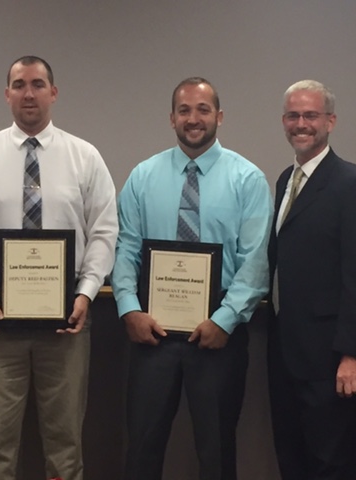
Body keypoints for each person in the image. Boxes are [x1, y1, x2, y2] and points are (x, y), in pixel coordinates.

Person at [0, 55, 118, 480]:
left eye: (38, 84)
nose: (28, 93)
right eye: (19, 84)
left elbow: (104, 231)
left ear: (53, 93)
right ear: (6, 94)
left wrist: (87, 291)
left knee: (65, 445)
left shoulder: (85, 157)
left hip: (67, 322)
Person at [111, 77, 272, 480]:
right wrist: (129, 308)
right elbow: (126, 249)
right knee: (142, 447)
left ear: (219, 116)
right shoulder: (142, 177)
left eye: (202, 110)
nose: (193, 119)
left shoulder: (247, 179)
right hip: (153, 329)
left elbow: (255, 261)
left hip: (219, 330)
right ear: (171, 118)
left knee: (217, 451)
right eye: (184, 110)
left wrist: (225, 320)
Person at [267, 80, 356, 480]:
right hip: (286, 351)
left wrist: (351, 355)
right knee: (292, 456)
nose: (300, 124)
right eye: (293, 115)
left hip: (329, 360)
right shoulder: (286, 180)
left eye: (310, 115)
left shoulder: (349, 184)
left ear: (331, 121)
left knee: (330, 462)